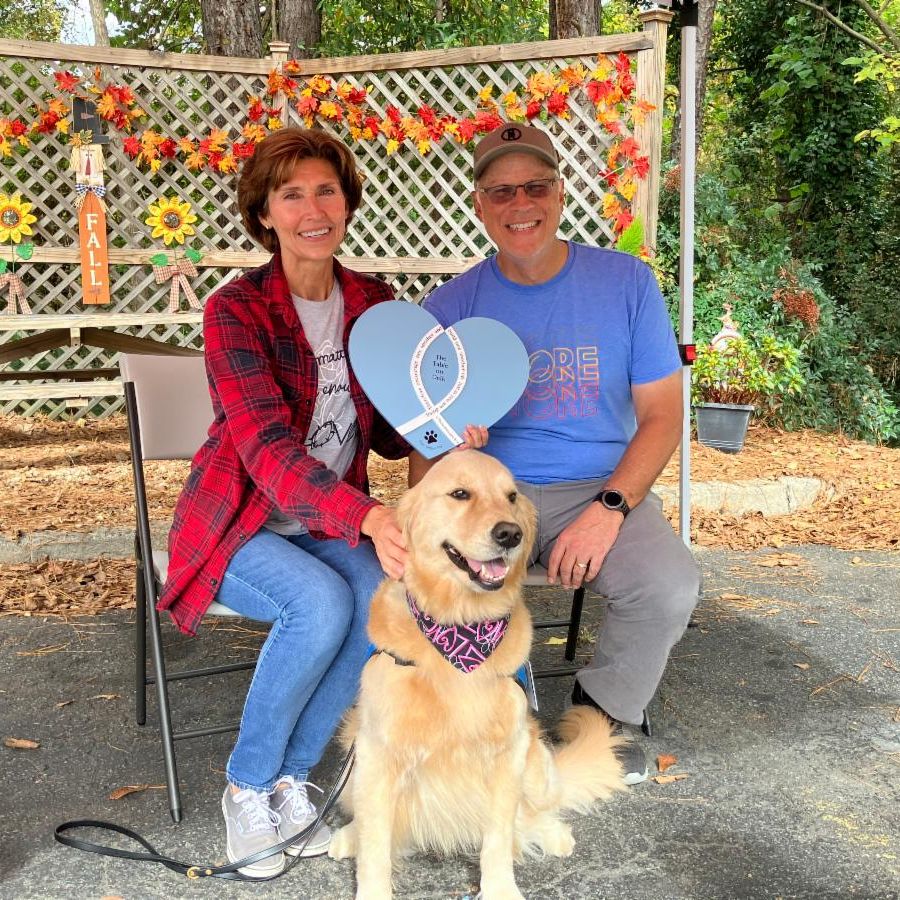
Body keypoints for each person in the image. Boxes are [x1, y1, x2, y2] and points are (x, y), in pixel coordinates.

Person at [158, 127, 485, 878]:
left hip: (327, 521)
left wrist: (444, 424)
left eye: (326, 191)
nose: (313, 210)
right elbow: (266, 447)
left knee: (380, 596)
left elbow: (391, 433)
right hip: (238, 520)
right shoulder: (236, 310)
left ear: (346, 202)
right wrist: (366, 516)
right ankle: (247, 785)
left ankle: (291, 781)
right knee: (319, 604)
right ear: (264, 213)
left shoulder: (374, 303)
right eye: (291, 194)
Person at [410, 124, 700, 785]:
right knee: (428, 584)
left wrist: (610, 509)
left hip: (596, 486)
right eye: (502, 191)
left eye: (536, 186)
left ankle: (604, 714)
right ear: (479, 204)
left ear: (561, 193)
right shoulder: (449, 306)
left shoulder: (626, 283)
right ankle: (480, 722)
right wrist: (443, 467)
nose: (521, 204)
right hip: (489, 492)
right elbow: (423, 442)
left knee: (667, 586)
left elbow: (663, 417)